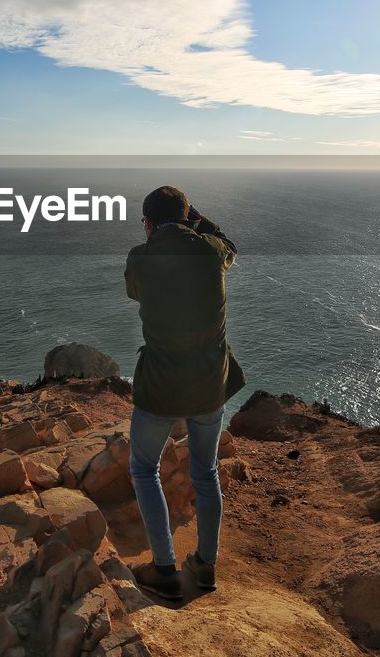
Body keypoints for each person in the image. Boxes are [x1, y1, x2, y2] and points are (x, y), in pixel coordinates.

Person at [123, 185, 246, 601]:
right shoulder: (212, 252)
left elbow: (134, 290)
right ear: (188, 216)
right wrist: (201, 222)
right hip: (210, 386)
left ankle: (163, 569)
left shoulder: (140, 259)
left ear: (148, 224)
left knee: (143, 469)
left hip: (160, 386)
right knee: (206, 473)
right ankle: (205, 566)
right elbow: (230, 245)